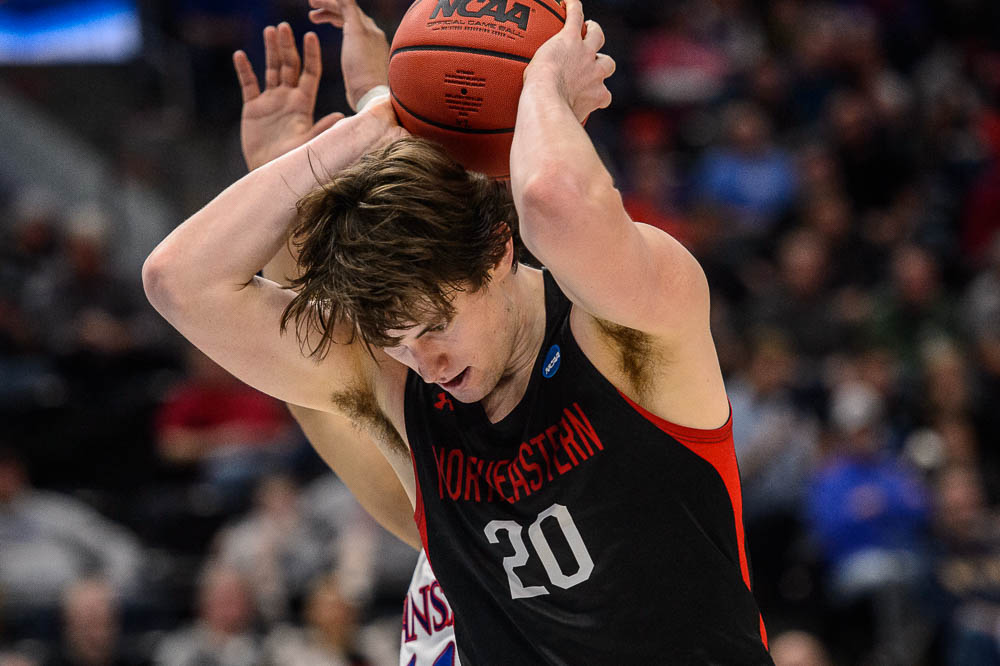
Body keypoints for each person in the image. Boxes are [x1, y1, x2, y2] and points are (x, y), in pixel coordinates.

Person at [143, 0, 771, 662]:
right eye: (396, 341)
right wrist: (364, 129)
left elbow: (551, 199)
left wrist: (541, 86)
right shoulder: (397, 381)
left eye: (435, 325)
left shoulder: (624, 334)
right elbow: (176, 283)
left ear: (500, 251)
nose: (426, 361)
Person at [232, 15, 458, 666]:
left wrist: (383, 104)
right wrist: (283, 186)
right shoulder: (442, 510)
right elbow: (314, 385)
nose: (425, 361)